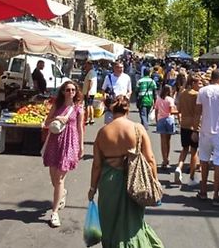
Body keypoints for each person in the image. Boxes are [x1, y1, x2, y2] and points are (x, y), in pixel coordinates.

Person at [88, 95, 164, 247]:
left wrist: (92, 188)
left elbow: (97, 165)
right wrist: (154, 181)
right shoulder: (137, 128)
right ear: (128, 109)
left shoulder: (103, 133)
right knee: (133, 223)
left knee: (110, 221)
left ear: (111, 109)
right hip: (134, 181)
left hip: (109, 182)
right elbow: (150, 158)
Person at [192, 69, 219, 206]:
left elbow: (197, 112)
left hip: (205, 131)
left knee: (204, 160)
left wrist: (195, 129)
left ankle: (203, 191)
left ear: (211, 78)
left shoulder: (203, 91)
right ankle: (216, 195)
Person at [43, 80, 84, 227]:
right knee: (54, 180)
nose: (71, 92)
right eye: (68, 90)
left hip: (69, 145)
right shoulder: (57, 106)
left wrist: (81, 146)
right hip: (55, 143)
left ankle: (54, 213)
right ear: (62, 91)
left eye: (73, 90)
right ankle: (62, 193)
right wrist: (56, 118)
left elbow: (80, 128)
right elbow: (46, 122)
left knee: (59, 180)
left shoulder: (78, 109)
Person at [174, 75, 203, 186]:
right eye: (199, 83)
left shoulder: (182, 94)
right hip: (194, 125)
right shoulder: (197, 96)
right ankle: (191, 176)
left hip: (184, 124)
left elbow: (179, 109)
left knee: (185, 149)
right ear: (193, 83)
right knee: (194, 151)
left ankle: (179, 167)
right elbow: (198, 112)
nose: (201, 85)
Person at [155, 85, 178, 168]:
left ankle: (164, 159)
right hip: (169, 119)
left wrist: (156, 120)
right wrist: (179, 111)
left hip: (161, 119)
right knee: (168, 141)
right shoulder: (170, 99)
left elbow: (156, 109)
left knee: (162, 141)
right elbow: (171, 111)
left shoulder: (158, 99)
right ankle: (167, 158)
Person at [82, 60, 97, 125]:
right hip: (91, 92)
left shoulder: (91, 72)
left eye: (86, 65)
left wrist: (88, 91)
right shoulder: (93, 72)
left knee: (87, 105)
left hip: (89, 92)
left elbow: (91, 82)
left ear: (89, 65)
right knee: (90, 105)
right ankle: (91, 118)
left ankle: (87, 119)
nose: (85, 67)